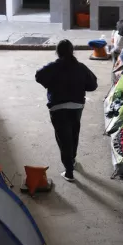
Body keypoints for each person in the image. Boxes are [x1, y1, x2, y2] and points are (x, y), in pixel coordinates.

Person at [35, 40, 98, 182]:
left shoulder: (52, 67)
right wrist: (79, 86)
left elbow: (39, 76)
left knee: (63, 139)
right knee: (74, 133)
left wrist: (50, 84)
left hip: (58, 108)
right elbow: (93, 85)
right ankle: (73, 160)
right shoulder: (80, 67)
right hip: (76, 107)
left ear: (57, 52)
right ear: (72, 51)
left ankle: (69, 171)